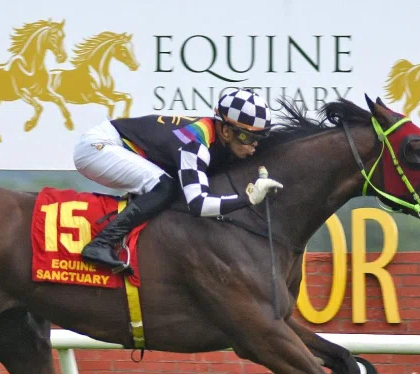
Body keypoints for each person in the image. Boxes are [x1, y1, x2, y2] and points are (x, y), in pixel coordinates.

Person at [72, 88, 284, 274]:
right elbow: (198, 204)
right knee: (165, 187)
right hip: (97, 147)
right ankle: (101, 243)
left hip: (114, 145)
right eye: (247, 138)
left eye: (259, 138)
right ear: (226, 131)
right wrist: (248, 198)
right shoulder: (195, 144)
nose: (253, 145)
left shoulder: (215, 137)